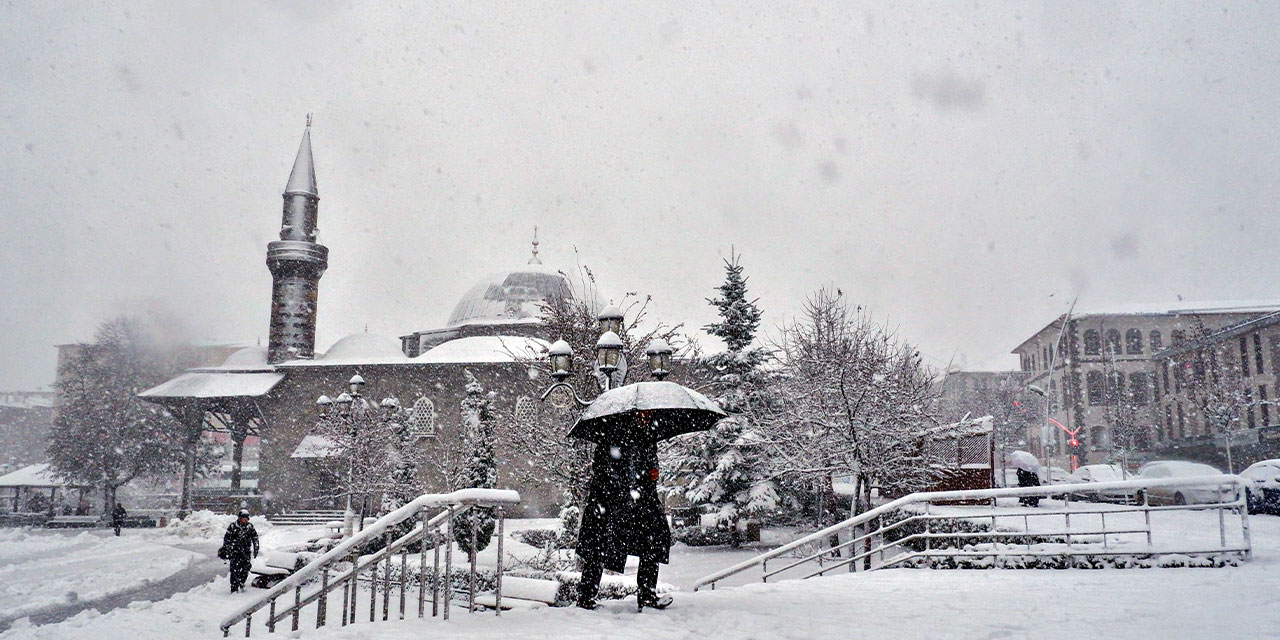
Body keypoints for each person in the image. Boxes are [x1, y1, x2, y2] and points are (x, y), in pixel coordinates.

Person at [575, 440, 673, 611]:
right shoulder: (611, 437)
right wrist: (624, 485)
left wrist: (650, 475)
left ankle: (647, 596)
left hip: (639, 503)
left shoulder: (647, 440)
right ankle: (585, 598)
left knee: (653, 541)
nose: (646, 418)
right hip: (609, 504)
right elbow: (603, 471)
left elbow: (647, 470)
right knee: (598, 546)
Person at [222, 509, 260, 593]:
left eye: (247, 518)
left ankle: (242, 582)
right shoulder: (232, 526)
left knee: (246, 568)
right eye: (244, 518)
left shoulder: (250, 526)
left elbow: (255, 538)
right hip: (235, 552)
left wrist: (256, 548)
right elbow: (227, 539)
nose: (245, 520)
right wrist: (227, 550)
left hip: (246, 552)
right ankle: (234, 588)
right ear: (240, 518)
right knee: (234, 570)